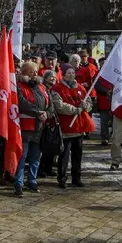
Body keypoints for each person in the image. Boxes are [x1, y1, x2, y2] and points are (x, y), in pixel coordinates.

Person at [51, 64, 94, 188]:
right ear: (63, 74)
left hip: (79, 128)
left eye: (72, 72)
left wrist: (85, 106)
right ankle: (62, 178)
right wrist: (75, 110)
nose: (71, 75)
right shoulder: (57, 88)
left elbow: (89, 103)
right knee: (64, 155)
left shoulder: (81, 88)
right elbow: (59, 106)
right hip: (66, 128)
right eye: (68, 73)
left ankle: (76, 177)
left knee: (77, 155)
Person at [13, 62, 50, 196]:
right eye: (31, 71)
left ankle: (32, 180)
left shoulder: (42, 87)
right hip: (26, 127)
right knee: (22, 156)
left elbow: (49, 104)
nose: (35, 74)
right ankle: (19, 182)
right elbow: (22, 103)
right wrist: (37, 113)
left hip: (40, 128)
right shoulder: (20, 86)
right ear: (24, 72)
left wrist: (47, 113)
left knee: (36, 156)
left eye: (36, 71)